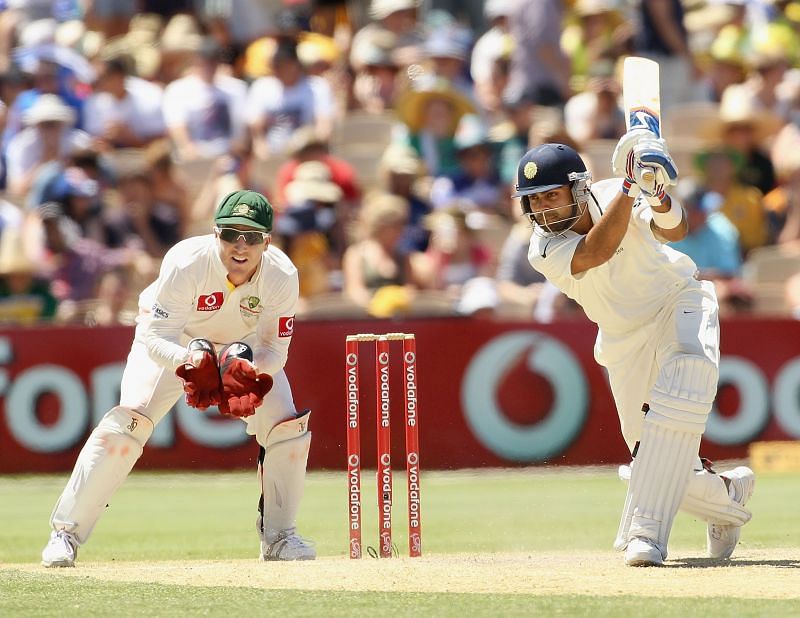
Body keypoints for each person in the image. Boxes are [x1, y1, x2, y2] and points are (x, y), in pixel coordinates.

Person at [513, 134, 755, 566]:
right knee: (655, 460)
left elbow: (675, 229)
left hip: (677, 300)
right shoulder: (542, 247)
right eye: (535, 201)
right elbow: (597, 250)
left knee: (687, 376)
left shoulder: (612, 192)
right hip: (623, 338)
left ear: (578, 187)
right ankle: (727, 498)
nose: (544, 208)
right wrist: (631, 187)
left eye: (552, 195)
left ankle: (647, 535)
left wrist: (658, 194)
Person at [41, 190, 316, 567]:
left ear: (267, 241)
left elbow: (276, 350)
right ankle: (64, 534)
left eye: (252, 237)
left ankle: (280, 538)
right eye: (231, 233)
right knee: (130, 421)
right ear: (214, 232)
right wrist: (191, 362)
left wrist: (248, 371)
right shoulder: (187, 261)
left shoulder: (282, 275)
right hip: (179, 343)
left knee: (287, 427)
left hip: (243, 349)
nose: (241, 245)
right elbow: (155, 336)